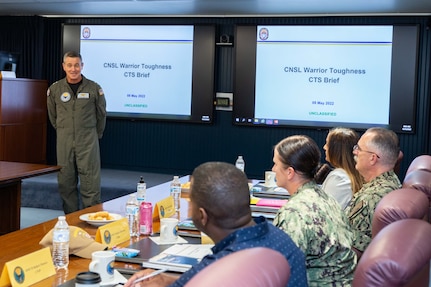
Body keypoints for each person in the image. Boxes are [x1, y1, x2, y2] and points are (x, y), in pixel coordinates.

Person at [124, 162, 308, 287]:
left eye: (191, 203)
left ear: (202, 215)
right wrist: (166, 280)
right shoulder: (279, 238)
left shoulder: (225, 260)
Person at [272, 135, 357, 286]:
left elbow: (282, 270)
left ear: (290, 172)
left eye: (275, 164)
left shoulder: (294, 213)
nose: (273, 169)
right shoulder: (327, 198)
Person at [47, 51, 107, 214]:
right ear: (64, 66)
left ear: (82, 66)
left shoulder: (94, 88)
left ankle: (92, 219)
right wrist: (65, 131)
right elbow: (53, 117)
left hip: (88, 142)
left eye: (76, 65)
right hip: (64, 142)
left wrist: (94, 136)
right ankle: (71, 221)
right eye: (69, 65)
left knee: (91, 183)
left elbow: (101, 116)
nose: (73, 69)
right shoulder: (55, 89)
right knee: (66, 182)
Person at [345, 127, 401, 254]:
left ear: (373, 158)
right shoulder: (392, 180)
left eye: (358, 149)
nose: (355, 152)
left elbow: (351, 252)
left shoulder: (370, 198)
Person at [321, 127, 364, 209]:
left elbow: (326, 213)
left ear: (336, 150)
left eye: (327, 144)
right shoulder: (355, 175)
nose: (324, 147)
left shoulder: (338, 178)